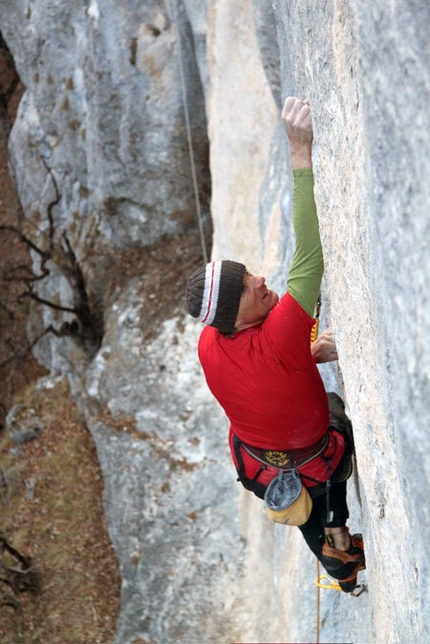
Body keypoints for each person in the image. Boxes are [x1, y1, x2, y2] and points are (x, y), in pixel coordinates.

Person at [186, 97, 365, 592]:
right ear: (234, 318)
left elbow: (262, 379)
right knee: (336, 414)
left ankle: (335, 557)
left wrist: (303, 356)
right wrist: (299, 148)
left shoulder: (209, 342)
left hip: (257, 466)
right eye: (248, 288)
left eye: (247, 274)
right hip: (313, 458)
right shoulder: (281, 333)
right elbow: (310, 254)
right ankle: (336, 535)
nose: (262, 280)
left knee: (311, 513)